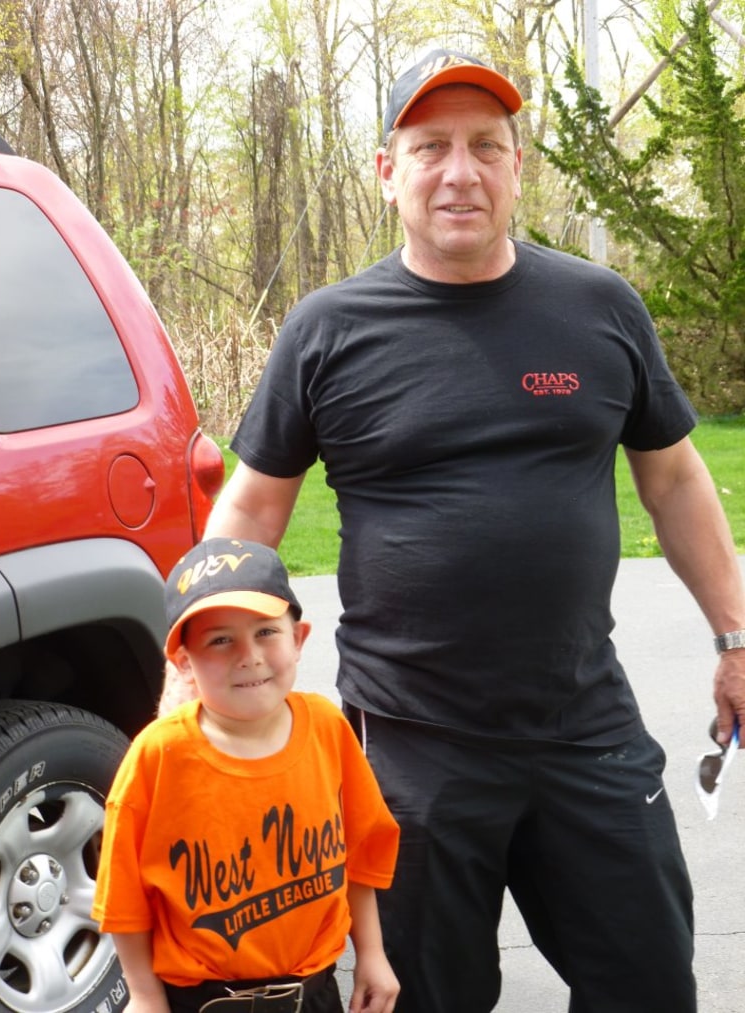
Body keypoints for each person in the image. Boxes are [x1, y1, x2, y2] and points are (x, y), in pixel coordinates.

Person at [160, 50, 745, 1013]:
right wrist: (192, 671)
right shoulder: (327, 331)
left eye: (486, 146)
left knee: (648, 982)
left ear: (520, 167)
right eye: (430, 147)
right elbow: (251, 510)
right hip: (410, 753)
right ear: (389, 172)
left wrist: (731, 638)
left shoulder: (600, 308)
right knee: (425, 998)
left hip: (584, 726)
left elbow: (675, 477)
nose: (460, 171)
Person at [93, 538, 400, 1013]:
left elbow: (360, 850)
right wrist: (144, 995)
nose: (248, 654)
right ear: (183, 662)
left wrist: (372, 954)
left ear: (298, 639)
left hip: (315, 992)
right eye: (220, 639)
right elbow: (124, 901)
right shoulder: (159, 755)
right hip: (201, 1001)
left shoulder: (326, 728)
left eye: (265, 632)